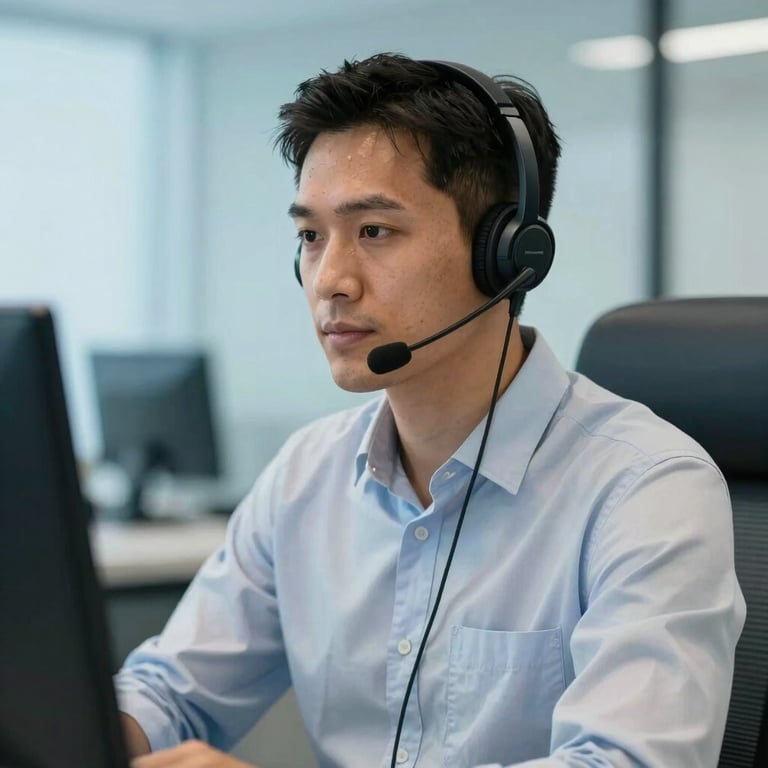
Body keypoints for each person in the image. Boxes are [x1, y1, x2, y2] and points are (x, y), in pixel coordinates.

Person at [116, 53, 745, 768]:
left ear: (506, 254)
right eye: (311, 237)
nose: (330, 281)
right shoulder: (306, 475)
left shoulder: (645, 488)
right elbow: (170, 692)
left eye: (374, 231)